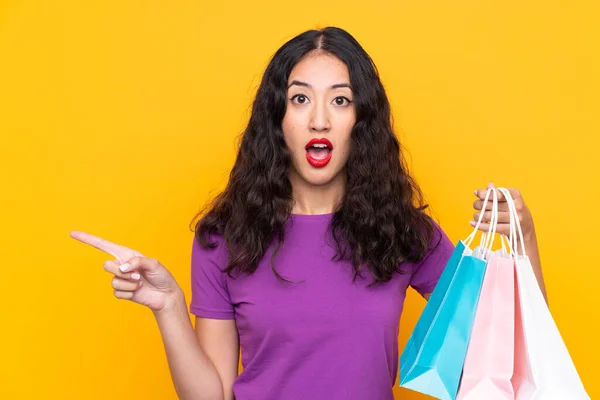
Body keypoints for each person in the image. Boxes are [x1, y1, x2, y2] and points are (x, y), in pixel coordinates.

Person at [70, 26, 547, 400]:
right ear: (278, 118)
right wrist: (169, 307)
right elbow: (211, 394)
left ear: (361, 120)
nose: (319, 118)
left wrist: (524, 240)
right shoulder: (224, 239)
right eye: (301, 98)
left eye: (340, 100)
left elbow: (510, 350)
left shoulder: (405, 235)